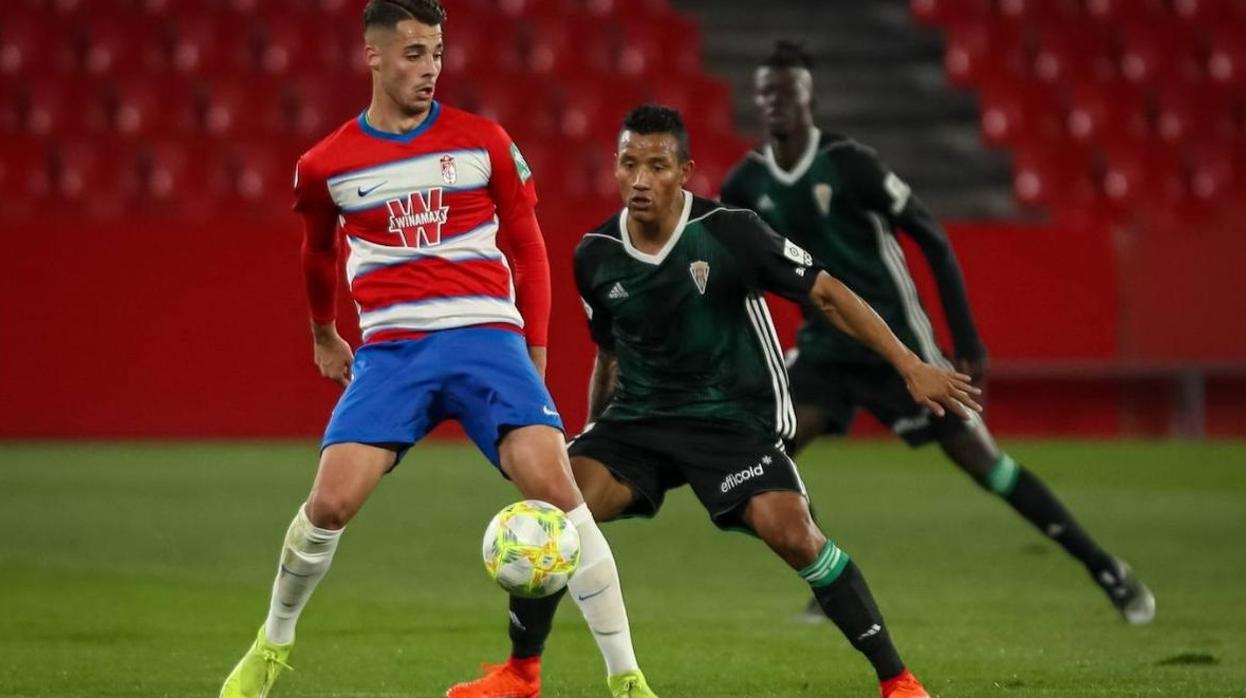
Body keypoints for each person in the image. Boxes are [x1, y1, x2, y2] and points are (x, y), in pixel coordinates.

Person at [450, 104, 984, 698]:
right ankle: (521, 674)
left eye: (657, 166)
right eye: (630, 165)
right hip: (640, 421)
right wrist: (592, 431)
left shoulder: (732, 232)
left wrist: (911, 365)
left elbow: (828, 295)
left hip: (731, 418)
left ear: (685, 171)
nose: (641, 179)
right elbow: (611, 353)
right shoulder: (594, 254)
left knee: (793, 533)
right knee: (553, 513)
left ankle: (898, 679)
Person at [218, 2, 655, 696]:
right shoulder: (325, 165)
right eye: (415, 54)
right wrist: (323, 333)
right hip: (393, 352)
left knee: (559, 495)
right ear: (374, 56)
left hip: (487, 339)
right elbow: (317, 253)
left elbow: (529, 248)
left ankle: (627, 678)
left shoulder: (483, 141)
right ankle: (273, 643)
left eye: (438, 53)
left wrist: (533, 350)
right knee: (329, 503)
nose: (430, 69)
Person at [718, 40, 1155, 625]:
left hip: (902, 348)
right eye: (767, 92)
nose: (777, 102)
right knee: (767, 449)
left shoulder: (851, 164)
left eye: (789, 91)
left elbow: (930, 234)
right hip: (826, 350)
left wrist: (966, 339)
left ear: (810, 97)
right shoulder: (746, 185)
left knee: (986, 464)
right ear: (757, 100)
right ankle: (830, 579)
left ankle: (1107, 569)